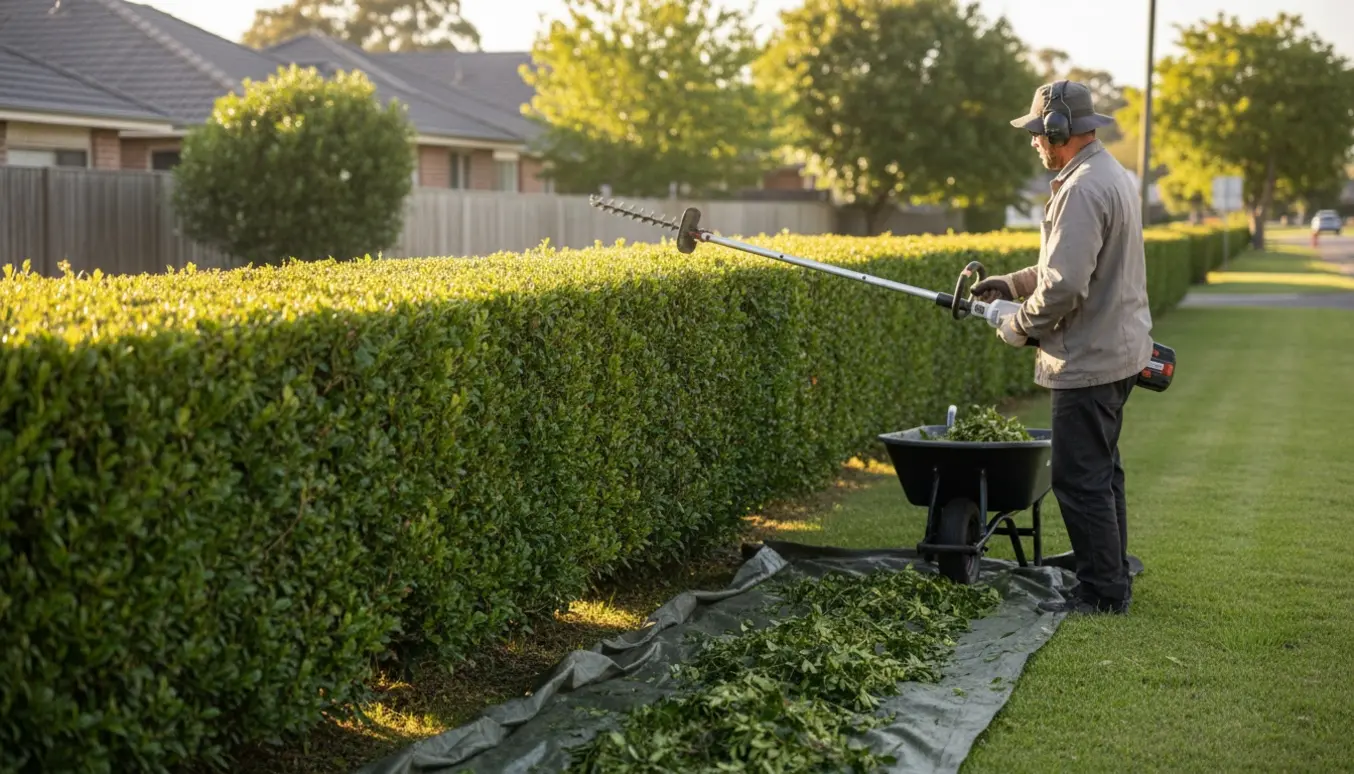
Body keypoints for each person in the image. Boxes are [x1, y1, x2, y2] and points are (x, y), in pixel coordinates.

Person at [972, 80, 1154, 616]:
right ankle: (1109, 570)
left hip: (1088, 359)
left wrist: (1019, 326)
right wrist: (1010, 283)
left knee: (1078, 479)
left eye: (1038, 133)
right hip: (1114, 352)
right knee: (1103, 472)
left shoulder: (1080, 188)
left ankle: (1102, 593)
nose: (1033, 142)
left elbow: (1066, 287)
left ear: (1059, 131)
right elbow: (1061, 269)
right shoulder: (1103, 174)